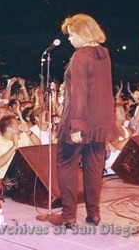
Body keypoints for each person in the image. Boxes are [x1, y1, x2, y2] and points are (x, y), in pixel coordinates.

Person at [47, 14, 118, 227]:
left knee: (66, 165)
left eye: (72, 34)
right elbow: (103, 91)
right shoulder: (104, 54)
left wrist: (76, 124)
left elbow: (79, 93)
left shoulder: (80, 56)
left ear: (83, 33)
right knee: (94, 168)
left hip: (79, 120)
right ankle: (93, 214)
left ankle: (68, 215)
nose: (70, 38)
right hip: (100, 122)